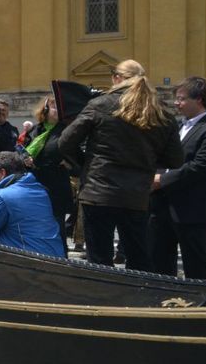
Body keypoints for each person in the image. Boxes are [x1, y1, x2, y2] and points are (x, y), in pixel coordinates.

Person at [59, 59, 182, 271]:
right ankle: (138, 299)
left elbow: (65, 143)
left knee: (99, 259)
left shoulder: (100, 104)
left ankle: (105, 300)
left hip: (99, 191)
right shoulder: (162, 112)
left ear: (116, 78)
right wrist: (147, 162)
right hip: (137, 194)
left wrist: (85, 165)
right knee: (138, 256)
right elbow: (175, 160)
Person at [148, 78, 206, 280]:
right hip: (162, 207)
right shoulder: (176, 125)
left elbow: (201, 167)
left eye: (182, 99)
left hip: (192, 210)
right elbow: (160, 156)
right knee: (159, 266)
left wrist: (161, 180)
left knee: (197, 267)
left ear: (199, 100)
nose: (177, 103)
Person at [0, 151, 65, 258]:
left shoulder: (4, 196)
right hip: (54, 257)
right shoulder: (39, 190)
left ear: (2, 173)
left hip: (27, 262)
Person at [24, 95, 73, 251]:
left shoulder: (67, 130)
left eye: (60, 107)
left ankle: (60, 255)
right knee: (36, 222)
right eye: (54, 106)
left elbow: (79, 156)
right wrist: (25, 158)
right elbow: (22, 150)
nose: (58, 110)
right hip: (35, 182)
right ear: (44, 109)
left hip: (56, 185)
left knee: (56, 223)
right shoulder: (35, 130)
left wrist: (70, 164)